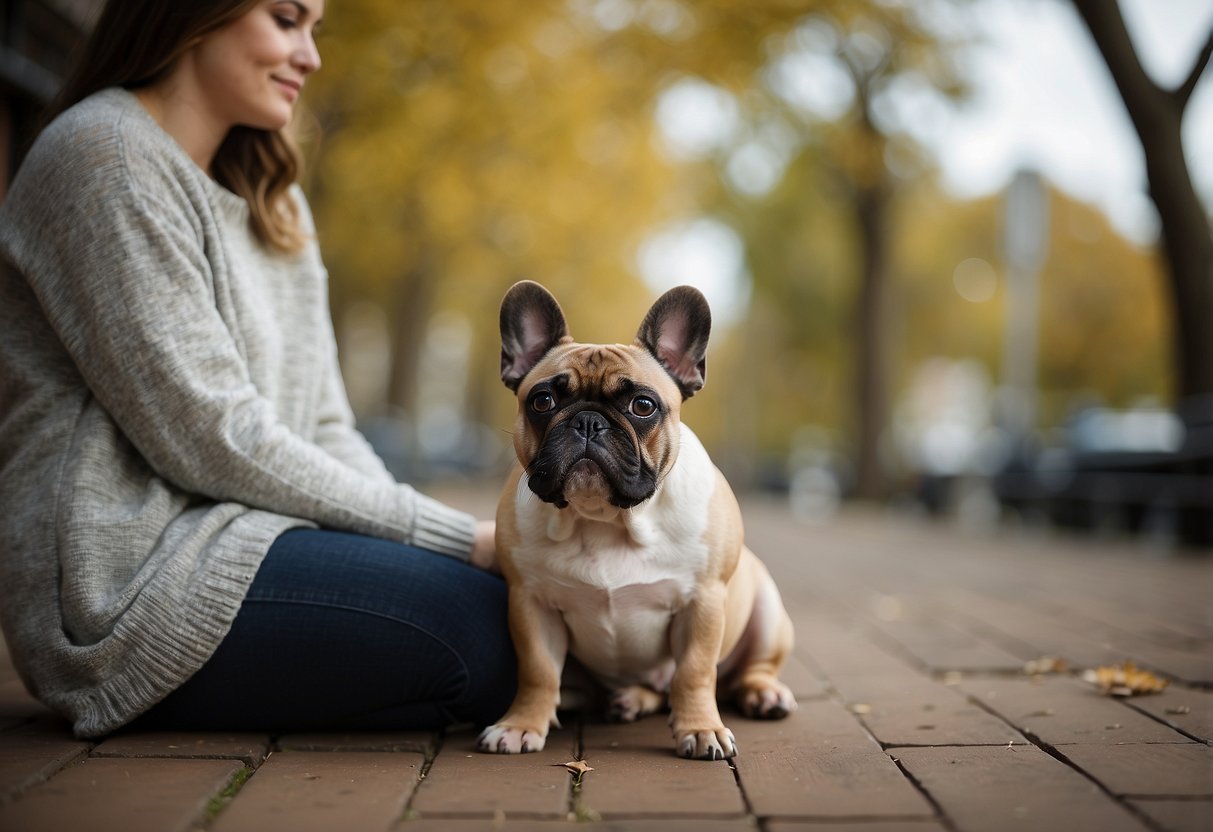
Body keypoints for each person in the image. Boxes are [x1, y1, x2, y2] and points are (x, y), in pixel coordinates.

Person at [0, 0, 516, 739]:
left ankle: (705, 639)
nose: (309, 55)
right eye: (285, 19)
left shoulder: (276, 198)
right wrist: (456, 539)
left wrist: (425, 538)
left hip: (252, 535)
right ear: (194, 16)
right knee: (481, 629)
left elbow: (327, 425)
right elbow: (213, 436)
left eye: (314, 29)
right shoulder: (103, 156)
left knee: (527, 606)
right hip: (135, 589)